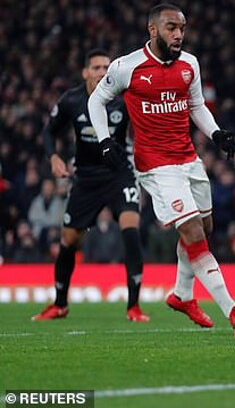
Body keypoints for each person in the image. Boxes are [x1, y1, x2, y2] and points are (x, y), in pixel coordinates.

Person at [87, 3, 235, 340]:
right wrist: (105, 141)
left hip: (188, 159)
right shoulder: (127, 67)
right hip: (156, 166)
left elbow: (196, 106)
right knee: (193, 231)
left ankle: (181, 294)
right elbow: (96, 100)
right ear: (153, 30)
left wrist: (216, 133)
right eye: (171, 28)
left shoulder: (189, 64)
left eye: (182, 27)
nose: (179, 34)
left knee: (204, 229)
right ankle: (234, 310)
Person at [33, 49, 150, 322]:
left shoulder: (122, 98)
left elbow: (143, 129)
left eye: (106, 67)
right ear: (85, 72)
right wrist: (53, 157)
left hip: (119, 173)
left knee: (131, 229)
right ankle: (60, 304)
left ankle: (134, 306)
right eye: (96, 67)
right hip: (86, 178)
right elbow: (49, 131)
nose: (102, 72)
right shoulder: (72, 100)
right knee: (69, 240)